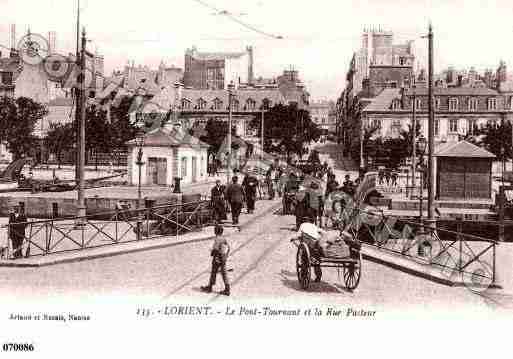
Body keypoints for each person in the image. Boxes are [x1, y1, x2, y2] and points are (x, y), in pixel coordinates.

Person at [201, 225, 230, 296]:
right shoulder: (223, 238)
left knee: (213, 272)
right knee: (224, 273)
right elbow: (228, 247)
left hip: (217, 258)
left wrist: (212, 253)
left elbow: (215, 249)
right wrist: (225, 256)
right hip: (223, 258)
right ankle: (227, 289)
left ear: (216, 231)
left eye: (215, 230)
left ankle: (210, 287)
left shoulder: (217, 239)